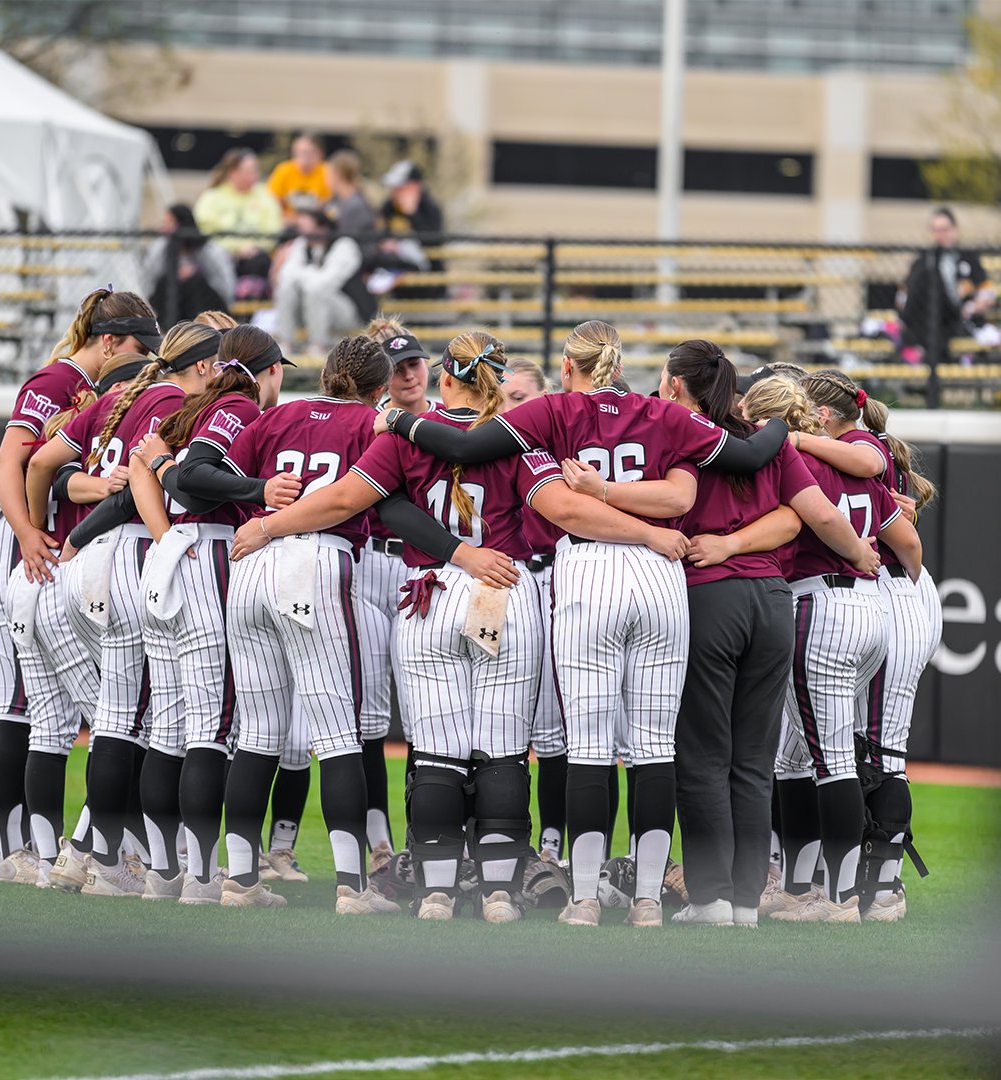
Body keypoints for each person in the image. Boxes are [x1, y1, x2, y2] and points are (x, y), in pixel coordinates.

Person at [234, 330, 702, 923]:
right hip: (501, 587)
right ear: (498, 379)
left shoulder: (404, 434)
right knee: (503, 752)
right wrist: (653, 534)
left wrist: (266, 526)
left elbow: (345, 500)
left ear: (442, 376)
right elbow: (563, 508)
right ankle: (500, 893)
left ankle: (437, 892)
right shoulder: (519, 436)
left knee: (437, 752)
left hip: (429, 594)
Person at [379, 320, 791, 928]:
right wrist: (782, 418)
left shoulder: (551, 410)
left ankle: (586, 898)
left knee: (586, 746)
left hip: (573, 573)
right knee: (654, 747)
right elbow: (724, 472)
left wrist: (399, 419)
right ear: (619, 366)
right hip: (658, 572)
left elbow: (469, 452)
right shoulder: (663, 412)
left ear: (567, 367)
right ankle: (647, 900)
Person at [565, 341, 877, 927]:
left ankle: (709, 899)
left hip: (708, 596)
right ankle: (746, 903)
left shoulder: (672, 433)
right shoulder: (762, 439)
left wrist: (598, 490)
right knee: (754, 763)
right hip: (772, 600)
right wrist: (858, 552)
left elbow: (658, 500)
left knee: (704, 757)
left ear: (677, 385)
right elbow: (805, 514)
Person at [214, 335, 450, 912]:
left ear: (324, 376)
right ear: (379, 386)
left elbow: (214, 476)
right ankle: (353, 886)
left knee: (257, 733)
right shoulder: (372, 423)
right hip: (316, 558)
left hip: (251, 561)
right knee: (339, 734)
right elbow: (377, 500)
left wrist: (258, 511)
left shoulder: (277, 416)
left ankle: (239, 881)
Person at [0, 287, 159, 886]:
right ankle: (14, 852)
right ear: (109, 341)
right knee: (31, 706)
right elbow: (6, 465)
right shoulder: (60, 378)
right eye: (139, 344)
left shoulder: (100, 391)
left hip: (47, 546)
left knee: (47, 713)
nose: (147, 356)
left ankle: (38, 854)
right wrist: (26, 531)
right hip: (25, 544)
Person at [740, 376, 922, 925]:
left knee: (831, 761)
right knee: (799, 757)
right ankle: (803, 888)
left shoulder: (792, 461)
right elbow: (908, 543)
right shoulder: (855, 465)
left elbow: (796, 522)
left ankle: (838, 899)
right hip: (874, 605)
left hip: (818, 605)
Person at [126, 325, 292, 904]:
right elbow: (195, 478)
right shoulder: (237, 406)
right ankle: (200, 878)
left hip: (171, 554)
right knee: (209, 730)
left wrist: (164, 532)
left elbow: (145, 467)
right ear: (270, 370)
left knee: (168, 728)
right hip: (208, 552)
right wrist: (260, 489)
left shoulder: (191, 406)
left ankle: (163, 873)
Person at [60, 322, 220, 898]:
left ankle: (96, 855)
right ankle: (115, 860)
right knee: (144, 721)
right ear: (202, 365)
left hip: (89, 559)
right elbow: (140, 490)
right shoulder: (173, 402)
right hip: (129, 552)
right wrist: (164, 538)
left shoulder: (123, 398)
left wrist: (69, 536)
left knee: (116, 717)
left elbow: (47, 466)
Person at [789, 370, 942, 921]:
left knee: (875, 752)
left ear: (823, 413)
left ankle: (878, 889)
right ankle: (869, 886)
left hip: (889, 590)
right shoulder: (850, 448)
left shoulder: (858, 446)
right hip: (888, 593)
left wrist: (797, 439)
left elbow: (908, 542)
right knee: (867, 751)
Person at [13, 353, 149, 887]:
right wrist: (103, 486)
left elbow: (13, 480)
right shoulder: (107, 438)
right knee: (123, 727)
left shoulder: (75, 441)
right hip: (70, 572)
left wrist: (39, 521)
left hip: (42, 577)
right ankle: (88, 853)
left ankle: (53, 859)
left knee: (52, 727)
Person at [358, 318, 440, 855]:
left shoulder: (447, 419)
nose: (408, 375)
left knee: (425, 711)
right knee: (369, 715)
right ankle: (379, 845)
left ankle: (423, 837)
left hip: (425, 570)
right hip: (371, 560)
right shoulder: (367, 423)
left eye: (414, 363)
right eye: (396, 368)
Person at [498, 358, 566, 861]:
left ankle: (554, 844)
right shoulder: (489, 446)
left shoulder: (557, 442)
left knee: (558, 727)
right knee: (506, 719)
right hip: (509, 577)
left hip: (560, 573)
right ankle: (502, 843)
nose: (511, 409)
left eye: (520, 398)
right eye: (503, 399)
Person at [898, 207, 997, 363]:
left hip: (964, 321)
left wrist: (970, 308)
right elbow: (903, 296)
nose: (940, 235)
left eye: (944, 229)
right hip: (930, 322)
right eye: (935, 230)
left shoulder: (968, 257)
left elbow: (988, 293)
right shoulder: (924, 260)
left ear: (955, 229)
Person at [274, 206, 374, 356]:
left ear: (322, 227)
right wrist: (307, 274)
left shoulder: (344, 245)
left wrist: (302, 274)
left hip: (348, 312)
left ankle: (318, 346)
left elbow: (324, 283)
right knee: (286, 288)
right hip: (311, 310)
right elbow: (285, 276)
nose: (301, 232)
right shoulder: (302, 243)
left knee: (315, 291)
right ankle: (286, 343)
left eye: (306, 228)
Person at [194, 148, 282, 301]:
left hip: (254, 258)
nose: (255, 175)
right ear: (233, 172)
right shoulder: (212, 197)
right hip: (222, 256)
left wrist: (254, 247)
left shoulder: (265, 195)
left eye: (256, 170)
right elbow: (204, 230)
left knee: (260, 262)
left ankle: (249, 303)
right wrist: (236, 248)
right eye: (249, 171)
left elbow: (273, 229)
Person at [142, 204, 236, 326]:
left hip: (206, 301)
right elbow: (151, 280)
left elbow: (224, 287)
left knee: (195, 282)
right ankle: (166, 328)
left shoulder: (208, 250)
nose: (164, 228)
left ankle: (200, 326)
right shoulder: (162, 248)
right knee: (167, 282)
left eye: (170, 223)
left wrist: (196, 272)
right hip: (172, 301)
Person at [377, 160, 444, 299]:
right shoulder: (389, 207)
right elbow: (380, 233)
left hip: (431, 287)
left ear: (415, 186)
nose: (395, 192)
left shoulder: (430, 207)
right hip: (399, 286)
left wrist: (412, 214)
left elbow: (434, 242)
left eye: (400, 188)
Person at [267, 132, 332, 222]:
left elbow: (330, 203)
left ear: (319, 154)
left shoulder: (327, 172)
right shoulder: (283, 170)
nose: (305, 157)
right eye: (300, 152)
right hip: (288, 221)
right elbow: (272, 200)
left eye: (309, 152)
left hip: (318, 221)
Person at [324, 149, 376, 256]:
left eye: (328, 174)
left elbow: (347, 240)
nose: (325, 179)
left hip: (356, 258)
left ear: (337, 174)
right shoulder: (335, 201)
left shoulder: (356, 205)